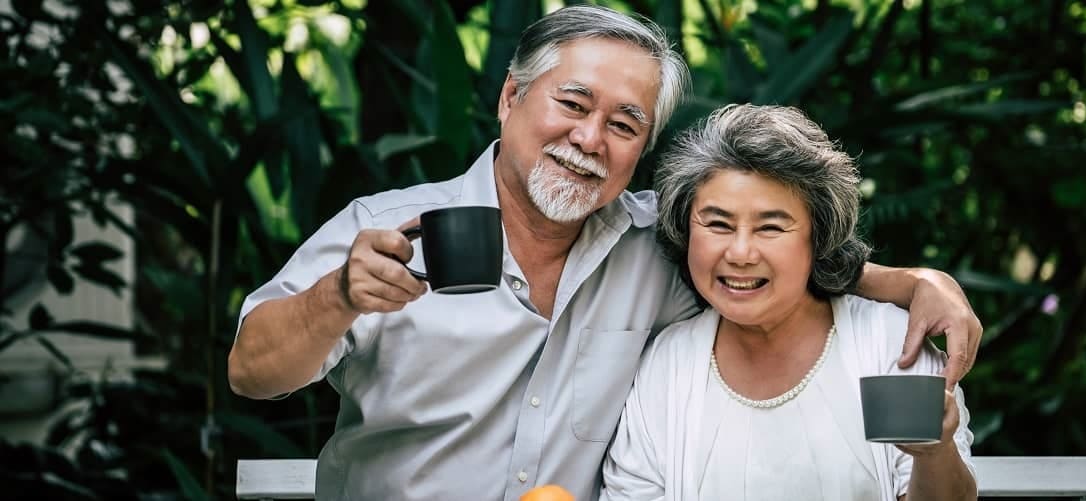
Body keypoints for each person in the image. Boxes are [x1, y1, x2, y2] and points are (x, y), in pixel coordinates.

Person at [227, 6, 982, 501]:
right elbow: (251, 372)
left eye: (625, 123)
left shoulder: (659, 242)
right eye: (573, 104)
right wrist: (337, 297)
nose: (590, 139)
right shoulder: (387, 228)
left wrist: (915, 281)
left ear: (642, 148)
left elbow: (766, 262)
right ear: (510, 97)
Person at [600, 104, 977, 501]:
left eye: (770, 227)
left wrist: (935, 453)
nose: (741, 252)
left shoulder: (889, 343)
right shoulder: (667, 364)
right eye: (718, 224)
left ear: (818, 237)